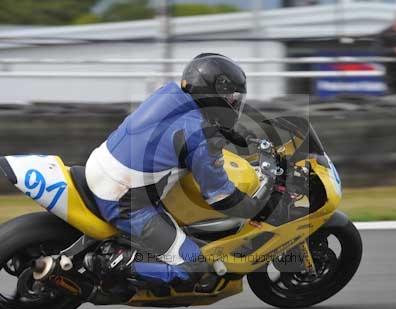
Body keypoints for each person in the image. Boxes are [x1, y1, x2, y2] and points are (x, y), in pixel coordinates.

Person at [84, 53, 270, 293]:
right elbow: (218, 194)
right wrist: (255, 207)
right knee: (195, 268)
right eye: (230, 97)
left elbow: (178, 129)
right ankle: (116, 263)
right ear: (213, 94)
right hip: (124, 200)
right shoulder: (200, 135)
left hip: (98, 165)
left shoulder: (170, 93)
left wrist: (229, 134)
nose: (233, 103)